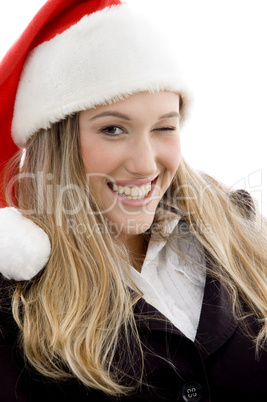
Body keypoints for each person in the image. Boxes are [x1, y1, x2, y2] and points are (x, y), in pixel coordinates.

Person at [0, 0, 266, 401]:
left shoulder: (242, 236)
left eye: (164, 127)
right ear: (57, 141)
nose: (145, 164)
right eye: (112, 129)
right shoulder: (14, 304)